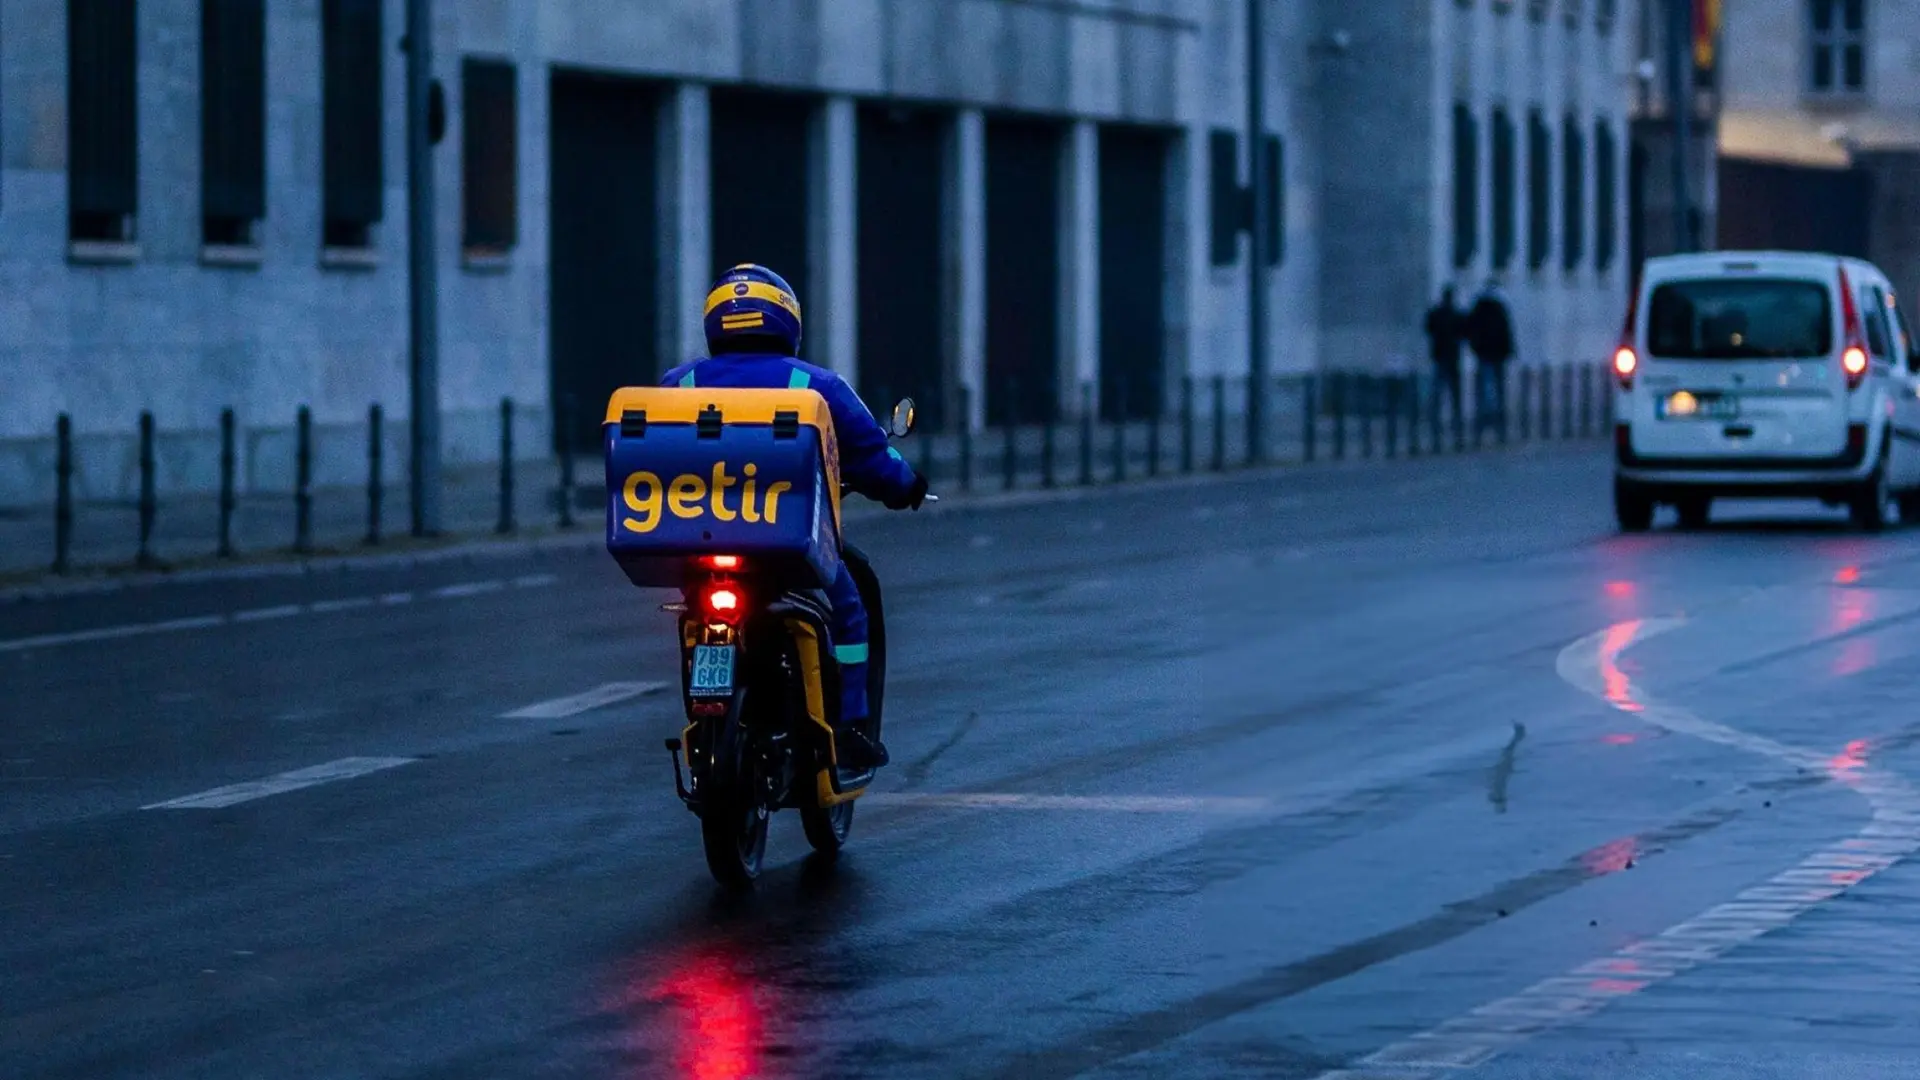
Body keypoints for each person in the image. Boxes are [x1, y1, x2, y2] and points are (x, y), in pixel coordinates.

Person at [662, 264, 926, 770]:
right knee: (850, 608)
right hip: (789, 548)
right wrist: (907, 486)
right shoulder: (815, 385)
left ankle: (705, 710)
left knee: (692, 618)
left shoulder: (678, 383)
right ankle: (850, 728)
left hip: (697, 544)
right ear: (787, 321)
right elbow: (872, 456)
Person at [1465, 277, 1517, 442]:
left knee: (1484, 390)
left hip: (1485, 354)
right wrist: (1509, 351)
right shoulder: (1500, 308)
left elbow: (1471, 329)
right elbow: (1506, 332)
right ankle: (1498, 425)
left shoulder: (1479, 307)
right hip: (1495, 355)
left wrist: (1476, 347)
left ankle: (1483, 425)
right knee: (1497, 391)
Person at [1423, 285, 1466, 449]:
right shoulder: (1456, 315)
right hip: (1451, 358)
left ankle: (1436, 423)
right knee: (1454, 395)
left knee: (1439, 392)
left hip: (1440, 356)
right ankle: (1456, 425)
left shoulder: (1437, 314)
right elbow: (1464, 333)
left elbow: (1428, 328)